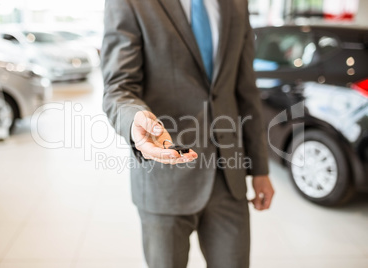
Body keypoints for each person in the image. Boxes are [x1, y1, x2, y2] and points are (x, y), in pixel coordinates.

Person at [101, 0, 275, 267]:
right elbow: (119, 87)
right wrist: (135, 120)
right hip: (164, 178)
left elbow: (246, 89)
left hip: (228, 177)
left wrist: (260, 168)